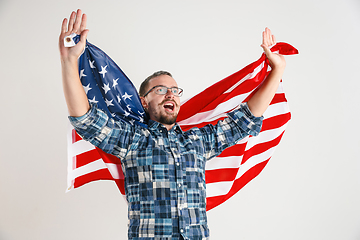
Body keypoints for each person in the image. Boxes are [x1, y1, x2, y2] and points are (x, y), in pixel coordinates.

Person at [59, 9, 286, 240]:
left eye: (174, 90)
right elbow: (85, 120)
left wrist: (277, 70)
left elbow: (244, 121)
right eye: (160, 90)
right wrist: (69, 61)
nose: (170, 94)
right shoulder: (133, 140)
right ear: (144, 102)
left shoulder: (197, 141)